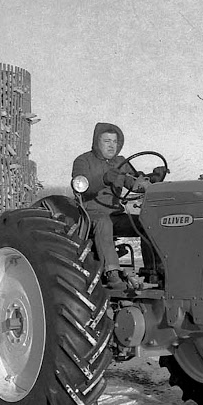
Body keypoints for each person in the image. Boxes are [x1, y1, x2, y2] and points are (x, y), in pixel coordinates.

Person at [71, 123, 150, 288]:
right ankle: (113, 274)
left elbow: (134, 183)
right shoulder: (83, 161)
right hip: (92, 215)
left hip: (116, 215)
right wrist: (104, 179)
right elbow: (81, 187)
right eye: (107, 141)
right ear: (96, 142)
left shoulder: (121, 162)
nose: (111, 145)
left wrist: (152, 181)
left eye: (114, 141)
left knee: (148, 223)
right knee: (103, 223)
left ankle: (153, 271)